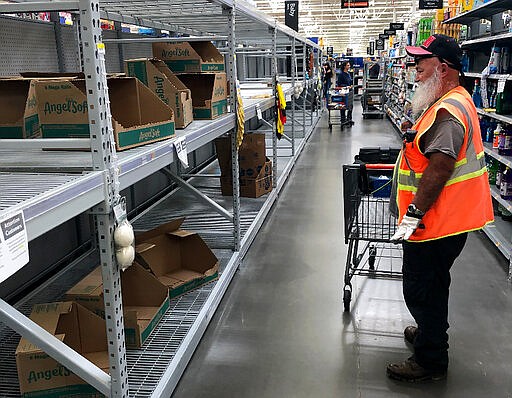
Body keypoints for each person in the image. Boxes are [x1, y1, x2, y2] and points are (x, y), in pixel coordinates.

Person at [387, 34, 494, 382]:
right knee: (433, 284)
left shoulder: (448, 110)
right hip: (445, 220)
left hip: (434, 222)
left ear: (443, 68)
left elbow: (440, 167)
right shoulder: (452, 100)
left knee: (421, 289)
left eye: (422, 62)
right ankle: (428, 334)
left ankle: (430, 359)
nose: (414, 69)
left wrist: (413, 215)